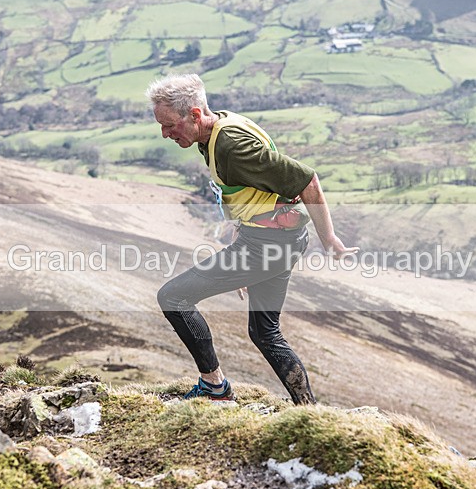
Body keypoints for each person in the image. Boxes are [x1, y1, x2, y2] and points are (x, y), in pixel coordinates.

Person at [146, 73, 358, 405]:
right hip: (277, 242)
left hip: (267, 247)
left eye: (170, 125)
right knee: (264, 332)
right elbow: (245, 195)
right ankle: (308, 409)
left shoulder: (231, 146)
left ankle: (215, 387)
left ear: (195, 115)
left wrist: (329, 238)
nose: (165, 133)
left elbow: (307, 180)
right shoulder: (217, 131)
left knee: (173, 298)